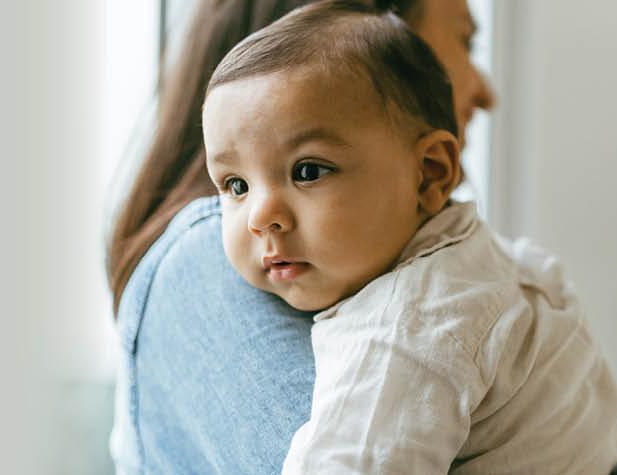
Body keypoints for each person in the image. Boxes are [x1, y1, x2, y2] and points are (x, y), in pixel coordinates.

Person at [199, 2, 617, 472]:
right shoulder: (471, 255)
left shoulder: (407, 329)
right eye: (236, 186)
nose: (261, 216)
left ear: (429, 174)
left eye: (308, 171)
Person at [105, 0, 495, 473]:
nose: (485, 91)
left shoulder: (450, 265)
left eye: (307, 172)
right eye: (464, 41)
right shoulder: (212, 265)